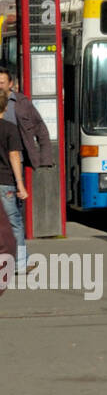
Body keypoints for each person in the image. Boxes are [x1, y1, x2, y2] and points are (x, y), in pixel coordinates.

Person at [0, 65, 51, 272]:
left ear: (11, 84)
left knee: (13, 216)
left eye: (2, 82)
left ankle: (18, 259)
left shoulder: (21, 104)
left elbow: (41, 129)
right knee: (14, 219)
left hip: (15, 163)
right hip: (9, 167)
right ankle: (19, 262)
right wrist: (21, 185)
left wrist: (44, 157)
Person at [0, 87, 30, 274]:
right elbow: (14, 156)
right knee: (14, 223)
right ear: (5, 107)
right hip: (5, 182)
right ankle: (19, 264)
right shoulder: (10, 129)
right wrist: (20, 184)